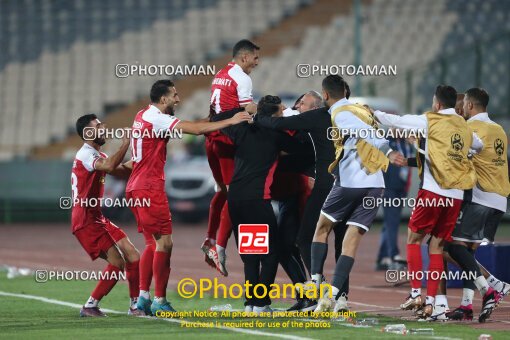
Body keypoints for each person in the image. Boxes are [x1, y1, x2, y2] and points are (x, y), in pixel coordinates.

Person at [127, 80, 251, 315]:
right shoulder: (158, 118)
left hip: (135, 187)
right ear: (163, 99)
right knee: (165, 243)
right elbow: (194, 130)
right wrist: (232, 120)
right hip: (149, 187)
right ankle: (160, 301)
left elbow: (194, 125)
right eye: (174, 95)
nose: (178, 99)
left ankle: (143, 299)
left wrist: (214, 119)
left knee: (152, 243)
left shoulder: (143, 114)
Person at [373, 85, 483, 319]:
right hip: (455, 197)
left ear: (437, 104)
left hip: (433, 192)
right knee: (437, 247)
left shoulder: (430, 120)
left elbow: (398, 121)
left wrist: (374, 114)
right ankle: (432, 302)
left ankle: (415, 293)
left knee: (414, 238)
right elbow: (478, 146)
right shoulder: (463, 126)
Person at [310, 75, 405, 313]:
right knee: (351, 239)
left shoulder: (340, 114)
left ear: (325, 95)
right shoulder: (362, 109)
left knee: (321, 228)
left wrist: (389, 152)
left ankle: (314, 284)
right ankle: (332, 296)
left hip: (352, 181)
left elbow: (366, 133)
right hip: (376, 184)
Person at [212, 95, 303, 314]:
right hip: (256, 200)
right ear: (274, 116)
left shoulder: (242, 129)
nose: (284, 113)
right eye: (281, 111)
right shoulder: (277, 135)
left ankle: (251, 304)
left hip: (235, 200)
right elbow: (301, 146)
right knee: (271, 253)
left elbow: (218, 116)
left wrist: (244, 109)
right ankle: (261, 304)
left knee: (251, 254)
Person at [444, 88, 509, 322]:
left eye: (464, 106)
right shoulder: (499, 129)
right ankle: (466, 305)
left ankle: (492, 285)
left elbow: (456, 156)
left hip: (481, 197)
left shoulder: (471, 129)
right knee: (468, 252)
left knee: (450, 247)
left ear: (470, 105)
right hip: (500, 201)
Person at [72, 114, 141, 317]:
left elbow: (120, 171)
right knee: (118, 262)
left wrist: (144, 156)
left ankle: (135, 306)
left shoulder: (97, 155)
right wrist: (126, 144)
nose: (103, 128)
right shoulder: (85, 154)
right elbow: (111, 166)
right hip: (85, 219)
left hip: (96, 216)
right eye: (98, 126)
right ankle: (90, 305)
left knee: (133, 255)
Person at [202, 39, 260, 276]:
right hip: (227, 140)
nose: (258, 62)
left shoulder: (221, 73)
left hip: (211, 138)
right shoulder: (243, 78)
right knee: (236, 194)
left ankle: (209, 239)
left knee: (223, 191)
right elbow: (247, 108)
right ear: (244, 57)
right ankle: (220, 248)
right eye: (255, 58)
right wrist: (270, 111)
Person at [375, 134, 413, 271]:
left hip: (400, 188)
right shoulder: (387, 143)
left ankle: (382, 256)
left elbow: (407, 166)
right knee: (392, 222)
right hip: (389, 188)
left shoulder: (406, 144)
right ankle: (393, 255)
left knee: (389, 223)